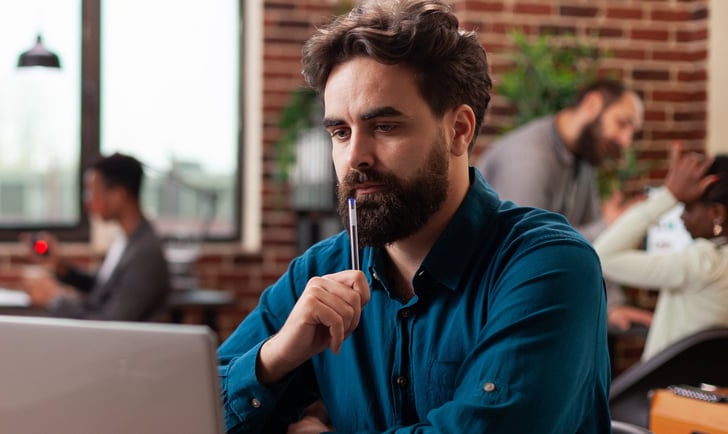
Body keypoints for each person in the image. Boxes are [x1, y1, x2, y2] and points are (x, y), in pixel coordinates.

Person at [217, 1, 611, 432]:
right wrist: (275, 359)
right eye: (340, 132)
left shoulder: (548, 265)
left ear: (459, 130)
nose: (354, 158)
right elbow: (192, 408)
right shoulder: (317, 273)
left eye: (385, 126)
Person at [476, 80, 653, 331]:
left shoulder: (583, 160)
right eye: (622, 123)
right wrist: (608, 225)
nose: (626, 140)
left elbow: (594, 245)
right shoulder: (529, 157)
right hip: (499, 313)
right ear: (592, 105)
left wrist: (612, 305)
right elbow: (525, 249)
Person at [595, 144, 728, 360]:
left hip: (667, 391)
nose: (682, 217)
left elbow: (603, 256)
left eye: (687, 207)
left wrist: (669, 195)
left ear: (717, 213)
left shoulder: (706, 261)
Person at [23, 153, 172, 321]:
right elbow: (105, 289)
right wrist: (61, 266)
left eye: (92, 192)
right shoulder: (127, 239)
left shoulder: (145, 253)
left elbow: (110, 323)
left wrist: (55, 299)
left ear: (118, 196)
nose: (88, 202)